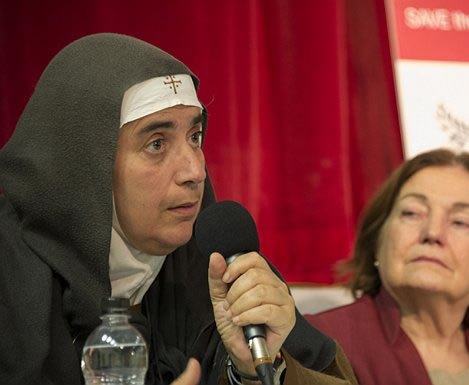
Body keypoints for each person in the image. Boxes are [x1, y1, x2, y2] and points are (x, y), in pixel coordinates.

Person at [0, 33, 357, 385]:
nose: (195, 171)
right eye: (156, 143)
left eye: (195, 137)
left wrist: (253, 371)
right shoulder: (11, 276)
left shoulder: (223, 271)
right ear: (84, 164)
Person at [305, 148, 469, 385]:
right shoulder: (317, 345)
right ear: (378, 240)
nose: (432, 233)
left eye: (460, 222)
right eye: (412, 213)